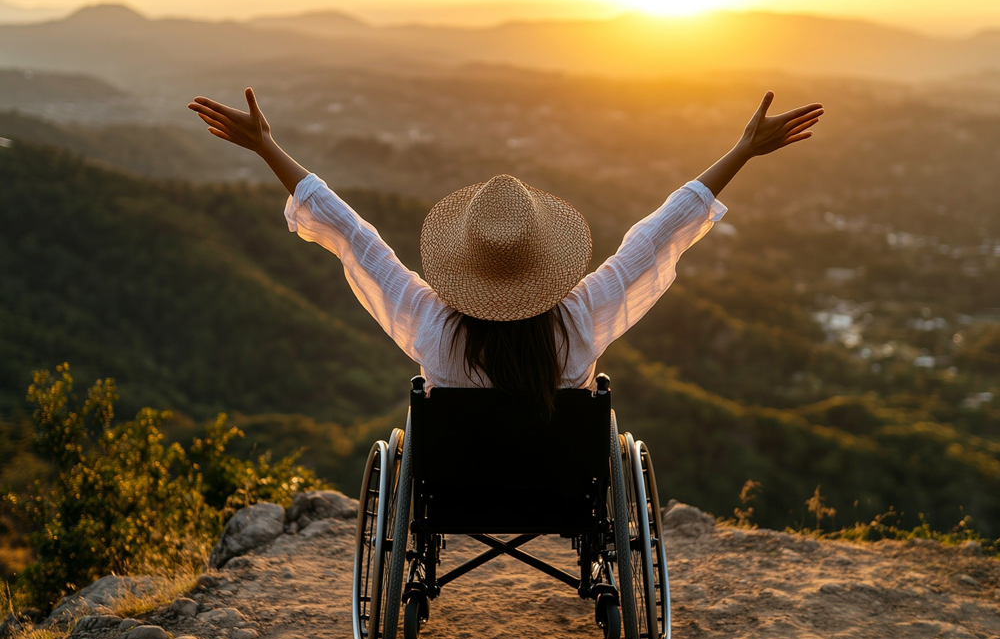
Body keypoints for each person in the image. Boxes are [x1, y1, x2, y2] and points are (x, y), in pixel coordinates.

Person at [188, 88, 822, 412]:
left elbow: (355, 237)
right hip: (563, 492)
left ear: (465, 266)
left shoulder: (433, 329)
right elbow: (657, 234)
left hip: (456, 492)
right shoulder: (579, 324)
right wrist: (742, 151)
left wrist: (268, 147)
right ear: (545, 263)